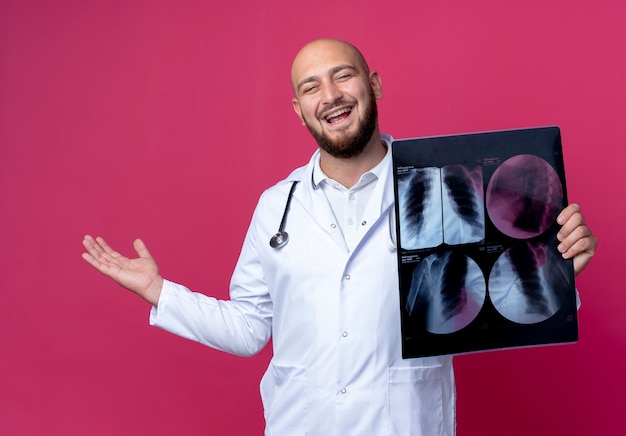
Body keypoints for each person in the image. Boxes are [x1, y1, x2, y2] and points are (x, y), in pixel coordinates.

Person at [82, 38, 598, 435]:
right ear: (299, 109)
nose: (329, 96)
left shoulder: (449, 185)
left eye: (342, 76)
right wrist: (159, 292)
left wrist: (555, 268)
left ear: (373, 84)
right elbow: (249, 329)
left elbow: (491, 299)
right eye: (311, 87)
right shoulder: (275, 207)